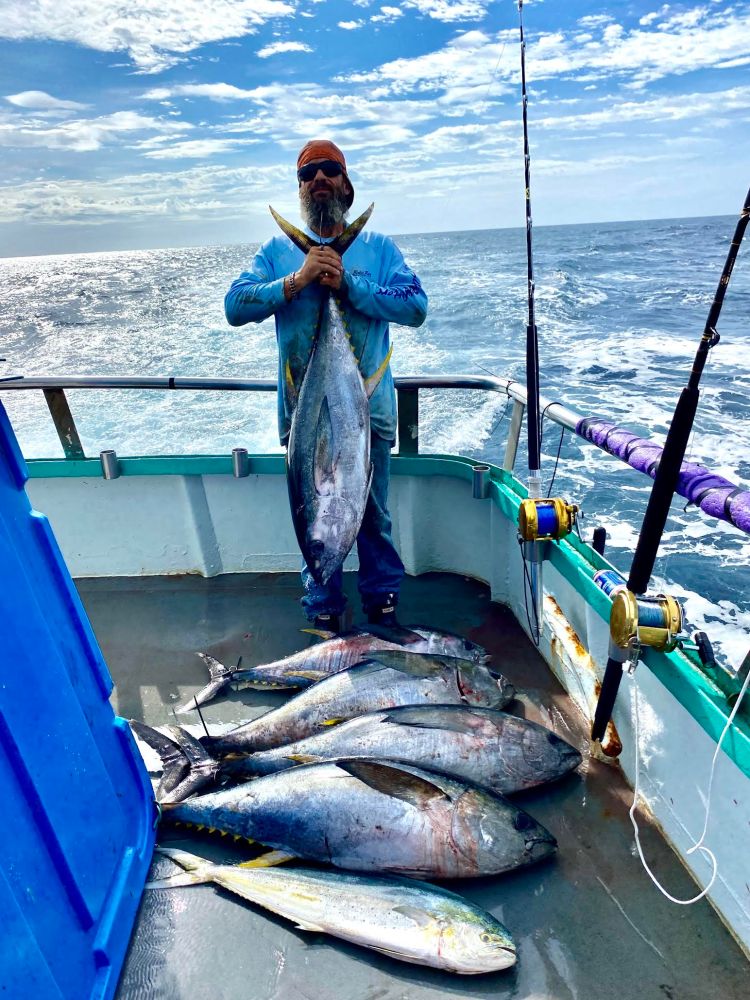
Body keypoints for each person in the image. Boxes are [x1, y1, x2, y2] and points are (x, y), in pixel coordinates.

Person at [225, 139, 428, 631]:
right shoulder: (276, 253)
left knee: (373, 515)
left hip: (368, 415)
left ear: (346, 184)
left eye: (329, 170)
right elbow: (235, 306)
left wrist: (348, 286)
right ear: (299, 188)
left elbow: (415, 307)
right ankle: (322, 611)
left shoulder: (378, 249)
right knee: (310, 511)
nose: (319, 179)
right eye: (308, 173)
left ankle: (382, 607)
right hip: (302, 417)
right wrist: (297, 280)